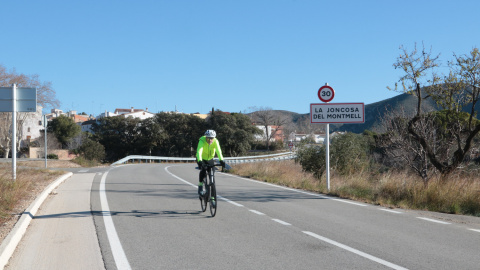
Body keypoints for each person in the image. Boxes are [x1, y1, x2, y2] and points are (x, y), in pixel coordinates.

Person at [196, 129, 225, 196]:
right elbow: (199, 152)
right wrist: (200, 161)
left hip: (210, 159)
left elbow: (218, 151)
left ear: (214, 138)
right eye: (208, 138)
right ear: (206, 137)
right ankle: (200, 184)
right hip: (201, 158)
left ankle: (212, 196)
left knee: (212, 174)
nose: (210, 140)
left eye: (211, 138)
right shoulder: (202, 141)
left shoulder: (215, 141)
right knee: (203, 170)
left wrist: (221, 160)